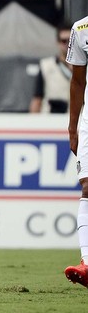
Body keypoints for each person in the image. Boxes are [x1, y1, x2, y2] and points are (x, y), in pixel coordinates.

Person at [65, 15, 88, 287]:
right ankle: (87, 263)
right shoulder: (81, 29)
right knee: (87, 187)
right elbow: (78, 81)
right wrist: (73, 127)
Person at [29, 23, 72, 113]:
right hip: (52, 120)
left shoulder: (84, 67)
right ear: (58, 42)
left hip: (79, 121)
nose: (68, 44)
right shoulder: (46, 65)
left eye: (71, 40)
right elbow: (37, 99)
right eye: (64, 41)